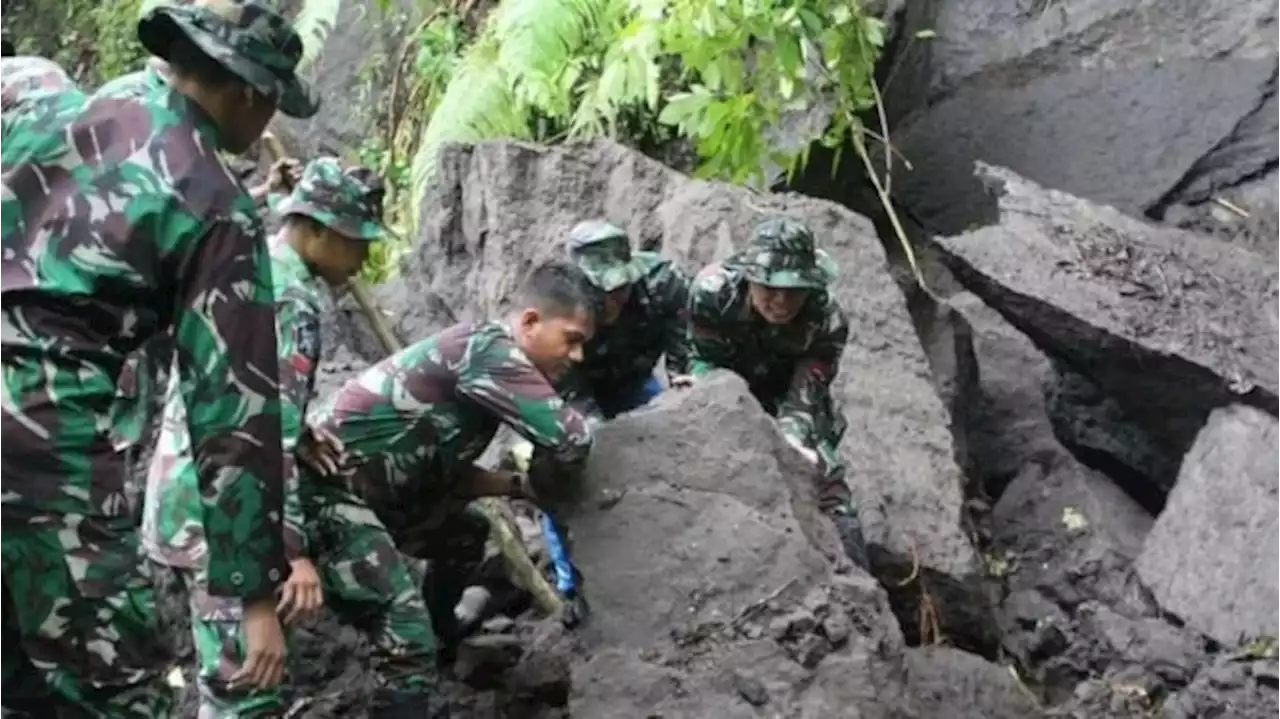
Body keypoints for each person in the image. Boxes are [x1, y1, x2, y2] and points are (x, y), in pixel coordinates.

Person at [0, 0, 318, 714]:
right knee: (118, 691)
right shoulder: (217, 205)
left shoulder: (51, 100)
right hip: (44, 448)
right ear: (249, 93)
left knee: (19, 680)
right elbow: (232, 416)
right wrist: (255, 591)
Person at [143, 157, 407, 717]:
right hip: (219, 515)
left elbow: (241, 389)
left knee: (239, 687)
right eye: (356, 242)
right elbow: (261, 440)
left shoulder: (256, 263)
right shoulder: (290, 300)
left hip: (188, 493)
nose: (363, 258)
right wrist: (290, 554)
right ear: (315, 230)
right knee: (247, 692)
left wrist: (303, 428)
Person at [297, 261, 597, 662]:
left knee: (466, 533)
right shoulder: (490, 354)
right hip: (321, 497)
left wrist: (516, 486)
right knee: (406, 638)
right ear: (529, 322)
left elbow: (440, 472)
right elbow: (572, 439)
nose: (577, 356)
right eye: (571, 339)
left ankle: (445, 638)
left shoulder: (489, 366)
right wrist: (549, 483)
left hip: (378, 496)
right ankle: (416, 659)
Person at [683, 216, 869, 570]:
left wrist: (793, 438)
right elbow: (700, 358)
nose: (782, 301)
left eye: (794, 289)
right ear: (749, 277)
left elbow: (808, 386)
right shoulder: (712, 293)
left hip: (788, 398)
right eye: (769, 288)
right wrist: (715, 396)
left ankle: (857, 572)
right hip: (725, 391)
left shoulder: (826, 318)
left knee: (826, 478)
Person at [558, 219, 692, 423]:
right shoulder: (559, 310)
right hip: (577, 393)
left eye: (621, 288)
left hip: (635, 383)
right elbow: (565, 384)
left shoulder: (662, 282)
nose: (613, 299)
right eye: (602, 292)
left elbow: (684, 347)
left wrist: (681, 384)